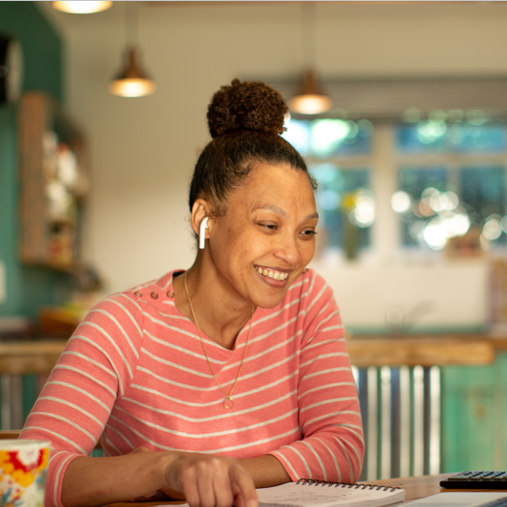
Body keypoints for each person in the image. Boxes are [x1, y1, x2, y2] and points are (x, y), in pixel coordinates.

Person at [20, 79, 364, 507]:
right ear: (205, 219)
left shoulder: (307, 301)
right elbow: (23, 480)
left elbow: (342, 447)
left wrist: (227, 474)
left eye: (306, 231)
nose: (293, 253)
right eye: (269, 225)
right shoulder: (122, 327)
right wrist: (164, 468)